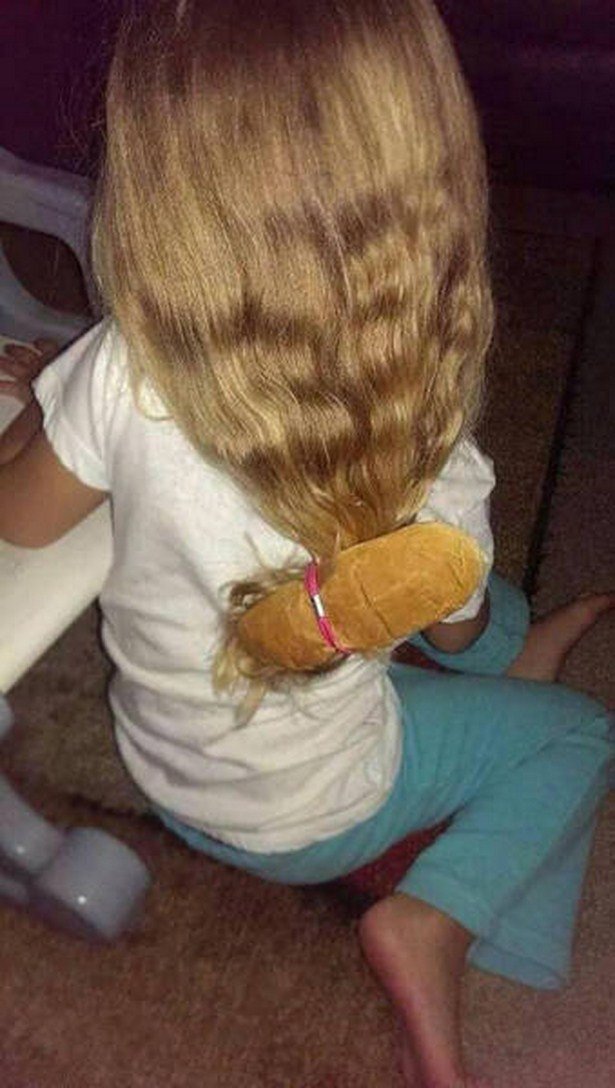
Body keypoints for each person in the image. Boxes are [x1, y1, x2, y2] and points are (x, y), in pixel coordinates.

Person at [0, 3, 612, 1085]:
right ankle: (433, 919)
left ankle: (508, 667)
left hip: (165, 756)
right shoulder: (432, 450)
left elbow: (19, 518)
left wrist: (41, 403)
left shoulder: (120, 367)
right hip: (321, 810)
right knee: (575, 733)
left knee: (487, 618)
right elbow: (446, 620)